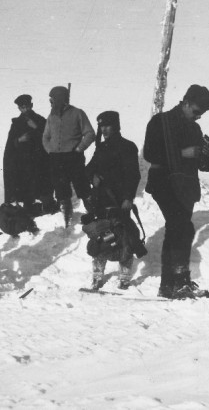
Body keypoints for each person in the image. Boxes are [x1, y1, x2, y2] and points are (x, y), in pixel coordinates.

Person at [143, 85, 209, 300]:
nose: (198, 116)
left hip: (186, 186)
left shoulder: (194, 129)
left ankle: (168, 285)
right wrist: (183, 153)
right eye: (196, 111)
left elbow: (205, 166)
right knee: (181, 227)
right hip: (164, 182)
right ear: (186, 103)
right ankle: (180, 281)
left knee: (176, 229)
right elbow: (150, 153)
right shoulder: (160, 121)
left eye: (202, 114)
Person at [84, 111, 141, 290]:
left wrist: (128, 198)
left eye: (108, 126)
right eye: (102, 126)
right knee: (101, 237)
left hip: (119, 201)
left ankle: (124, 277)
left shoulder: (128, 147)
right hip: (101, 202)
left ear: (116, 126)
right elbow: (89, 169)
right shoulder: (101, 147)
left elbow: (133, 175)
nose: (104, 129)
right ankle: (97, 276)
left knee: (124, 237)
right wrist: (93, 176)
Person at [42, 86, 96, 227]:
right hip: (56, 159)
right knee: (61, 191)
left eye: (52, 100)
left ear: (59, 99)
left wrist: (79, 148)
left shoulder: (77, 113)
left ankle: (95, 214)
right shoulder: (51, 116)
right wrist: (50, 151)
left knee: (82, 186)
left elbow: (90, 133)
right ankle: (67, 218)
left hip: (74, 157)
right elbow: (45, 137)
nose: (50, 103)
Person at [3, 94, 56, 215]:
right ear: (19, 108)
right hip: (23, 164)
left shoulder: (41, 120)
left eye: (27, 106)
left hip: (39, 162)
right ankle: (28, 211)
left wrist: (36, 127)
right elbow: (10, 146)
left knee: (43, 189)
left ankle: (47, 209)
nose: (26, 109)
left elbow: (50, 138)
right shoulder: (16, 124)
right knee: (26, 192)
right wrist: (19, 140)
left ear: (31, 105)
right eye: (22, 107)